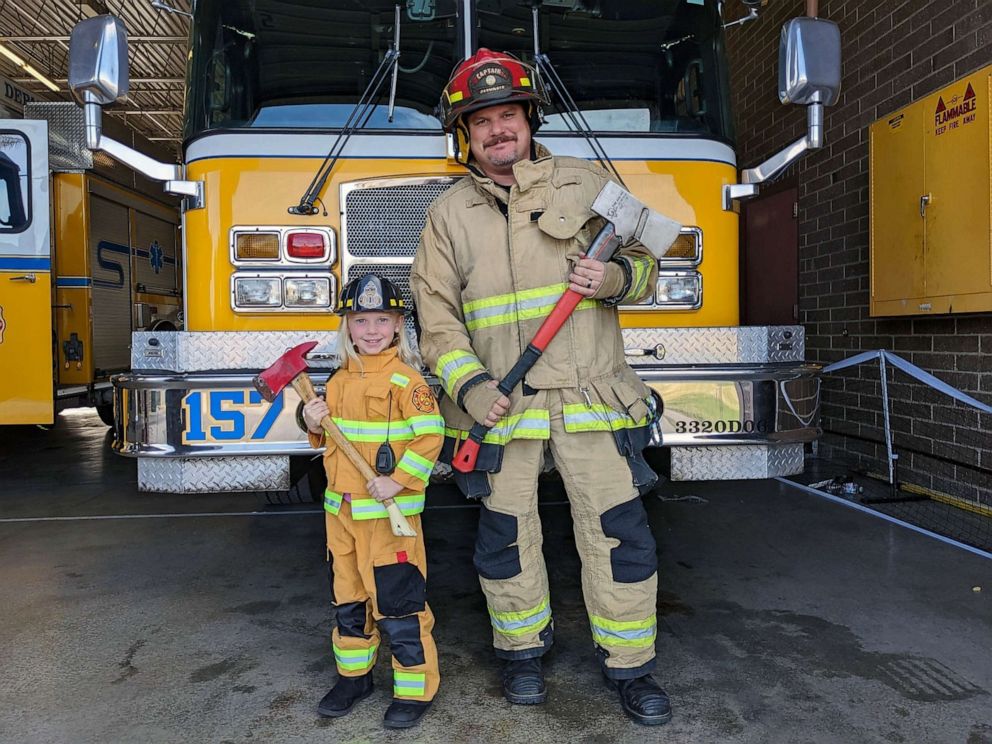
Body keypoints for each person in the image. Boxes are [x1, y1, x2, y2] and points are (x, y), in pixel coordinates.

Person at [410, 49, 673, 726]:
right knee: (504, 539)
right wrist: (470, 390)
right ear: (465, 134)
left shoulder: (586, 184)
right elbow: (435, 318)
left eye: (508, 116)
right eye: (482, 121)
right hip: (505, 406)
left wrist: (614, 280)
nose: (499, 131)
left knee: (618, 535)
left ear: (529, 119)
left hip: (590, 396)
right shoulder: (447, 216)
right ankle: (522, 653)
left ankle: (631, 667)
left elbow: (651, 265)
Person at [302, 274, 444, 730]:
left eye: (382, 319)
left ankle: (414, 688)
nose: (370, 329)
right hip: (340, 515)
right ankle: (353, 677)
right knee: (347, 599)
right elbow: (330, 441)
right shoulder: (339, 379)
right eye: (360, 320)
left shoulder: (407, 380)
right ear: (347, 326)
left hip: (387, 519)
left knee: (399, 603)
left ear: (399, 325)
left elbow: (430, 436)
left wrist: (399, 482)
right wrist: (311, 418)